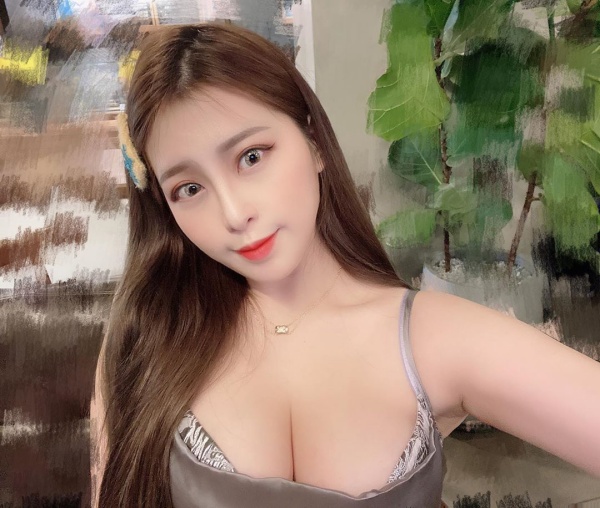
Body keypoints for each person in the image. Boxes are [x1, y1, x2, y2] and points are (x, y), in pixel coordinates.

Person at [90, 22, 600, 508]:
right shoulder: (148, 334)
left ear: (313, 142)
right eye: (189, 188)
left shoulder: (433, 339)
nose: (233, 213)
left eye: (251, 157)